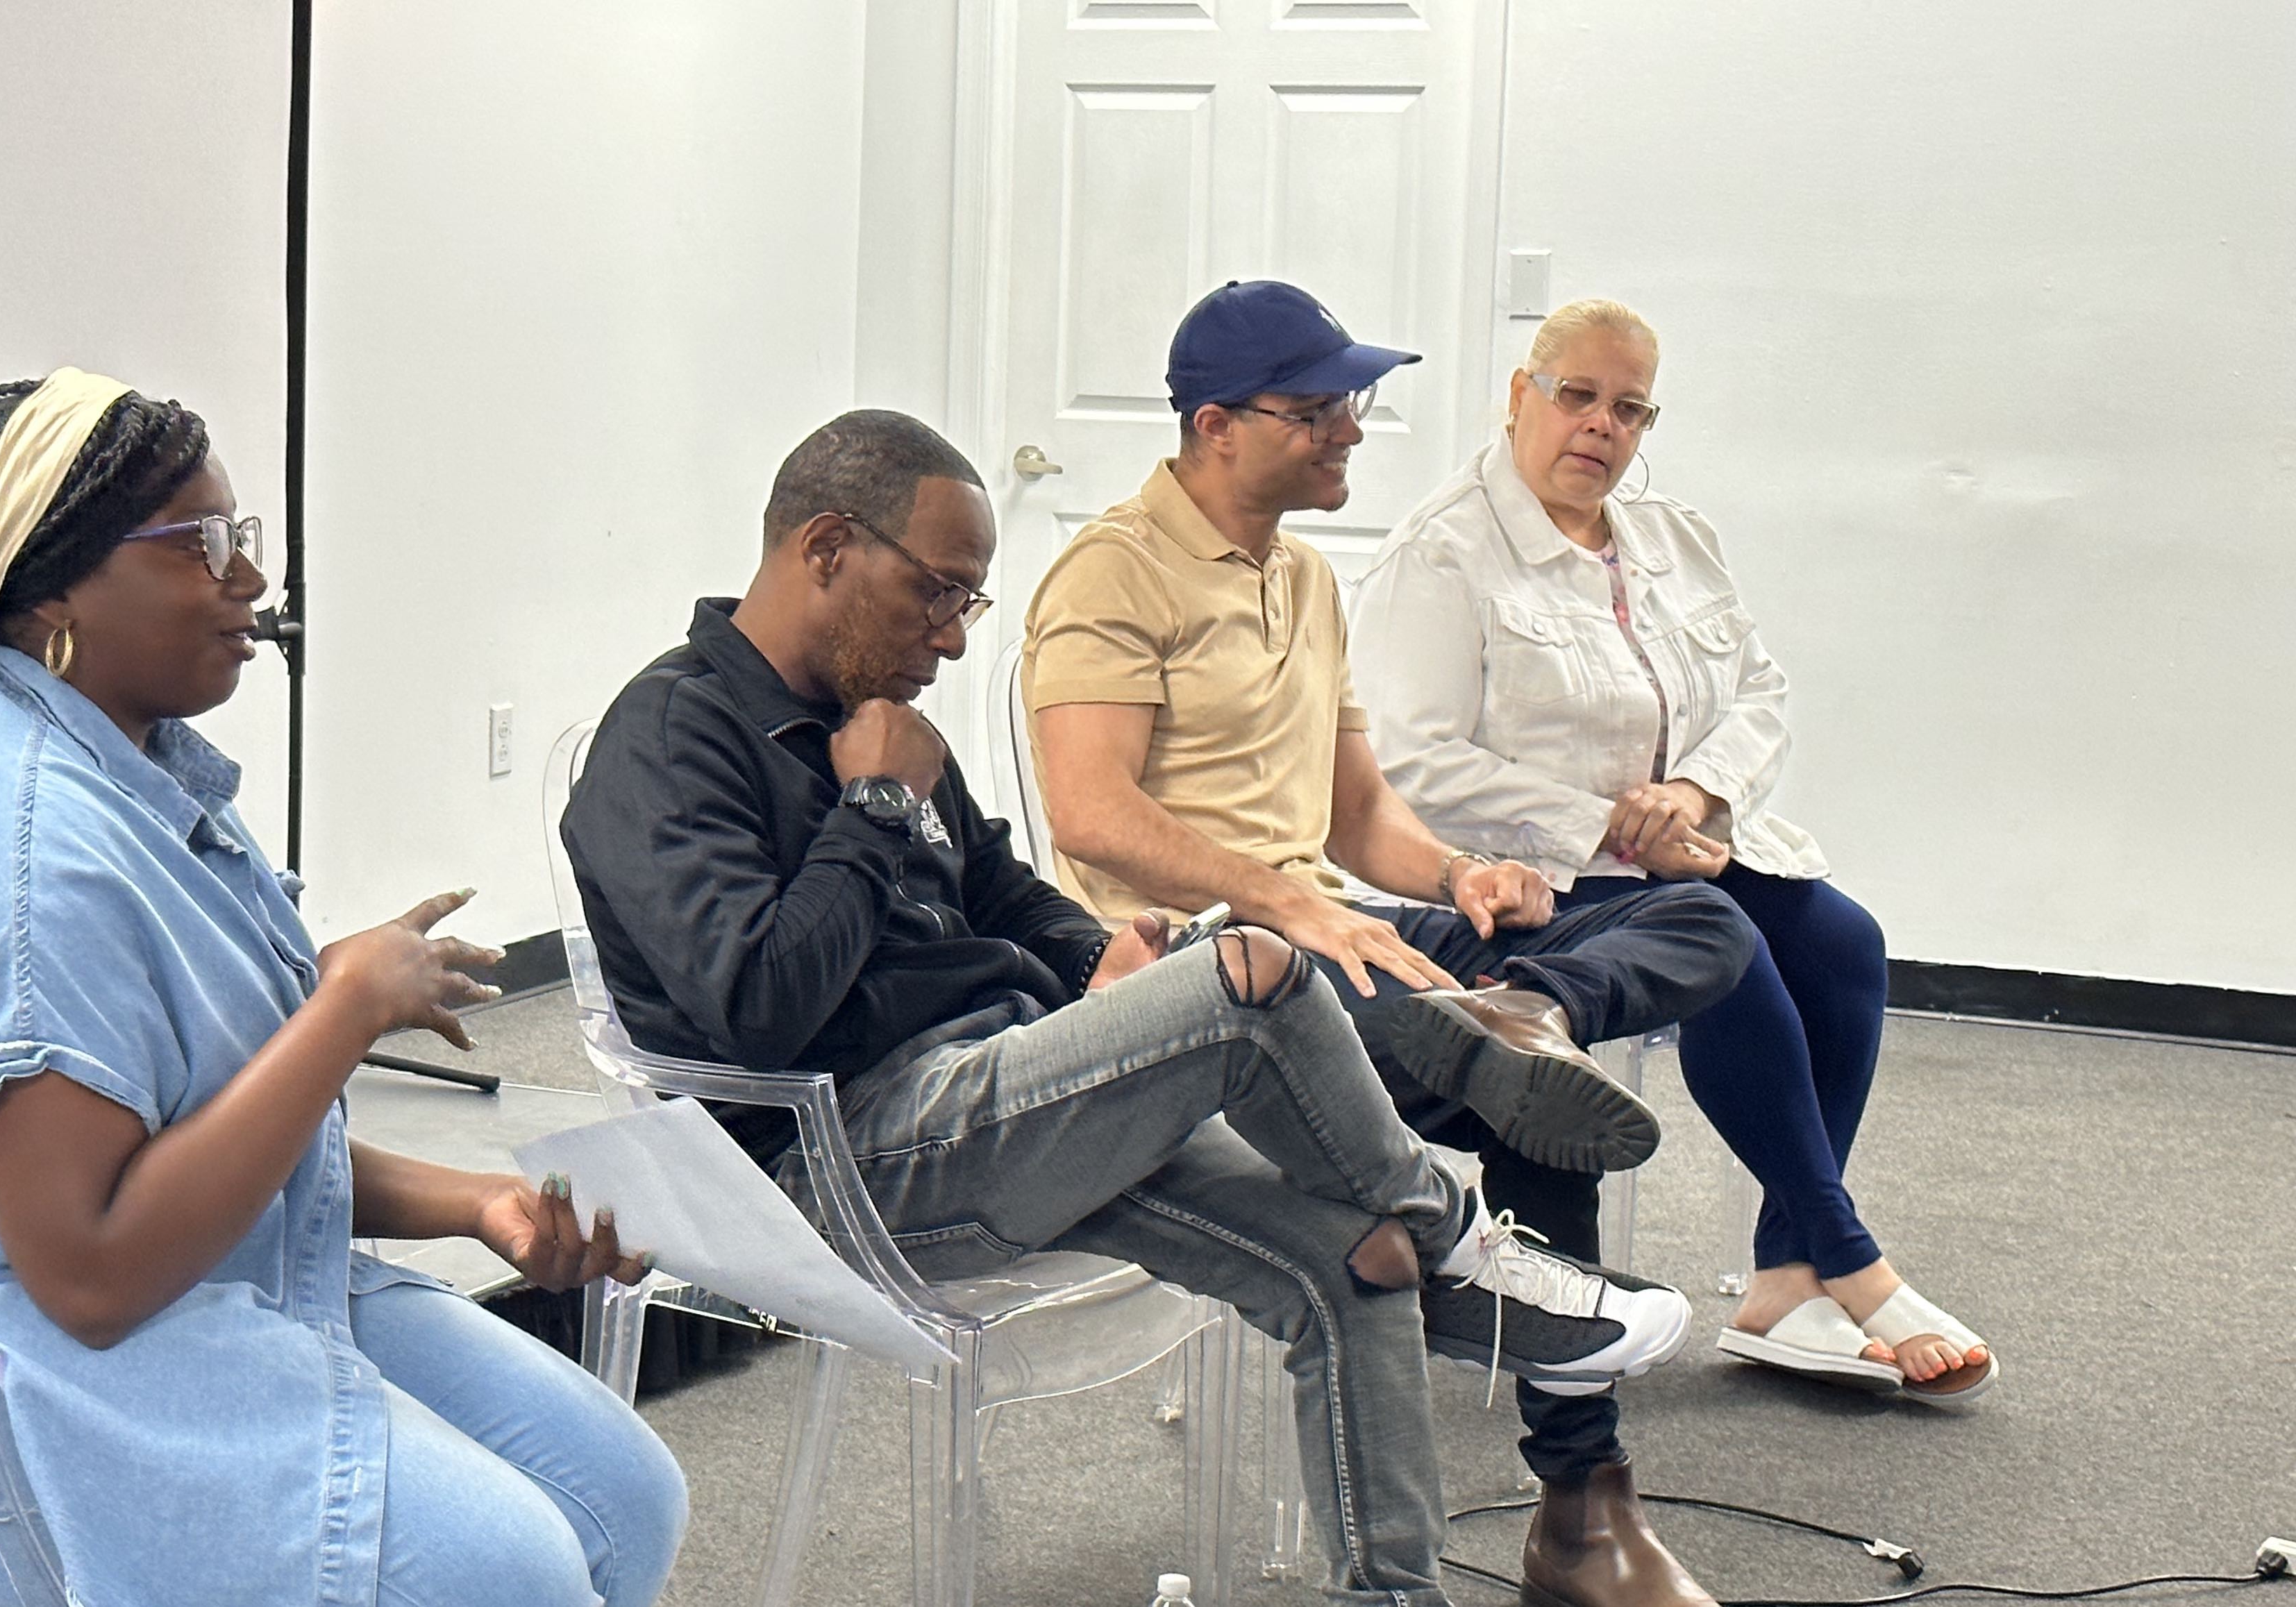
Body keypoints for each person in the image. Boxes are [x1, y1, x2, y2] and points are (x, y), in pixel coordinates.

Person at [562, 407, 1696, 1607]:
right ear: (829, 548)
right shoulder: (672, 736)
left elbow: (1008, 898)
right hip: (836, 1163)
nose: (952, 641)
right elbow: (755, 1009)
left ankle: (1397, 1581)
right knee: (1250, 969)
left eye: (968, 605)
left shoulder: (881, 728)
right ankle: (1461, 1237)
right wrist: (878, 813)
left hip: (1003, 1099)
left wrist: (1101, 955)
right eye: (938, 594)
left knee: (1353, 1259)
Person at [0, 371, 686, 1607]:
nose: (251, 581)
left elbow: (209, 1143)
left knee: (626, 1499)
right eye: (200, 546)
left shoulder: (129, 770)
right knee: (511, 1573)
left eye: (245, 538)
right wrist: (340, 1015)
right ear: (54, 583)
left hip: (136, 1275)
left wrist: (480, 1204)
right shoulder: (16, 843)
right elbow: (94, 1270)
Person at [1023, 279, 1759, 1607]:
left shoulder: (1304, 575)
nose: (1350, 430)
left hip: (1342, 931)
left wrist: (1467, 875)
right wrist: (1285, 901)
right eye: (1317, 410)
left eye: (1350, 403)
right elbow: (1092, 815)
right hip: (1205, 971)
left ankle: (1523, 1015)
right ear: (1214, 425)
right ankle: (1581, 1511)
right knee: (1543, 1117)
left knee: (1708, 916)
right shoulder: (1108, 575)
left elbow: (1361, 814)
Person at [1350, 297, 1997, 1408]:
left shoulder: (1674, 536)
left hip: (1678, 849)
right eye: (1578, 396)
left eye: (1631, 409)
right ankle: (1844, 1256)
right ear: (1522, 396)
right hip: (1533, 877)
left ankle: (1784, 1279)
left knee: (1844, 944)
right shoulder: (1444, 552)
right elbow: (1410, 761)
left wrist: (1694, 793)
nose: (1602, 426)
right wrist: (1602, 821)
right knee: (1731, 950)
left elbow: (1759, 694)